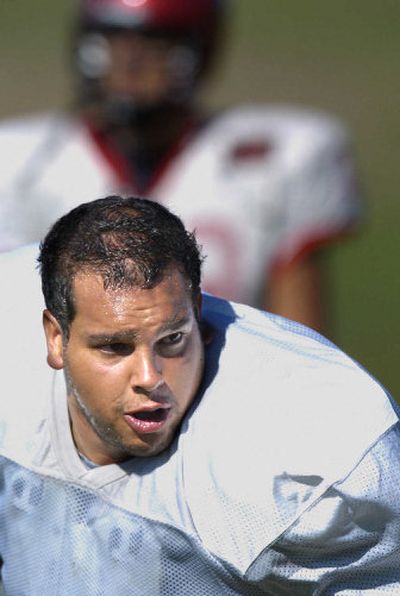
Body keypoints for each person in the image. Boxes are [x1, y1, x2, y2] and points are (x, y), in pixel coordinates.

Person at [0, 195, 399, 595]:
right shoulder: (8, 350)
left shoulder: (306, 448)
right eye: (114, 347)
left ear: (197, 311)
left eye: (172, 339)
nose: (149, 377)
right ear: (55, 338)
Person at [0, 0, 362, 333]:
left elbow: (304, 345)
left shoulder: (272, 159)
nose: (130, 61)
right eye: (113, 40)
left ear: (199, 48)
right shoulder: (22, 163)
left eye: (156, 42)